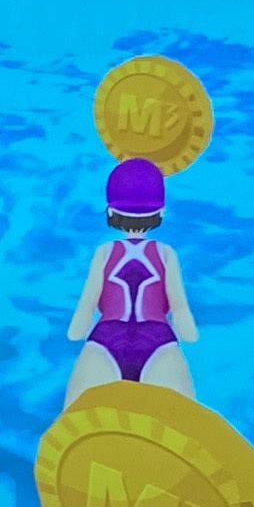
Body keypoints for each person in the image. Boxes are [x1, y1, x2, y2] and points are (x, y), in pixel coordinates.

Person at [63, 156, 198, 406]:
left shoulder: (105, 252)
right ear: (161, 212)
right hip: (158, 340)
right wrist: (188, 331)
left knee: (78, 415)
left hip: (106, 339)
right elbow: (179, 307)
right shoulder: (165, 253)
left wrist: (76, 331)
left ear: (111, 211)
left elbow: (87, 304)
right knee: (181, 419)